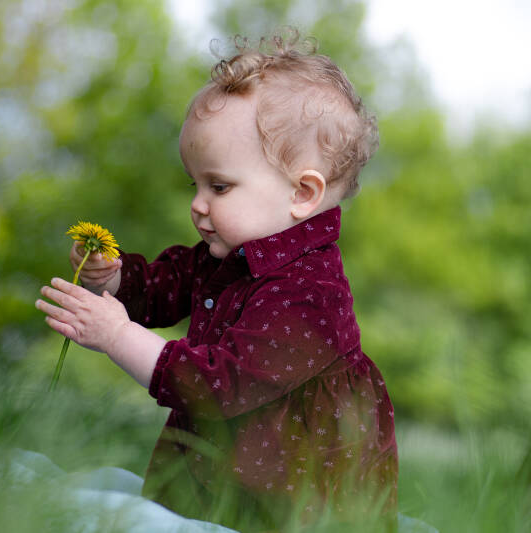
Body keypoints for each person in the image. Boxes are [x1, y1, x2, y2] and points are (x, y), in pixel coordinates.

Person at [36, 29, 397, 532]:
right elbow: (166, 284)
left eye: (219, 186)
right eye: (196, 183)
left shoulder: (309, 296)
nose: (197, 204)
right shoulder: (227, 257)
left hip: (288, 509)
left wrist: (118, 336)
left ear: (302, 193)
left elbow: (218, 386)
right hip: (213, 486)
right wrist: (115, 279)